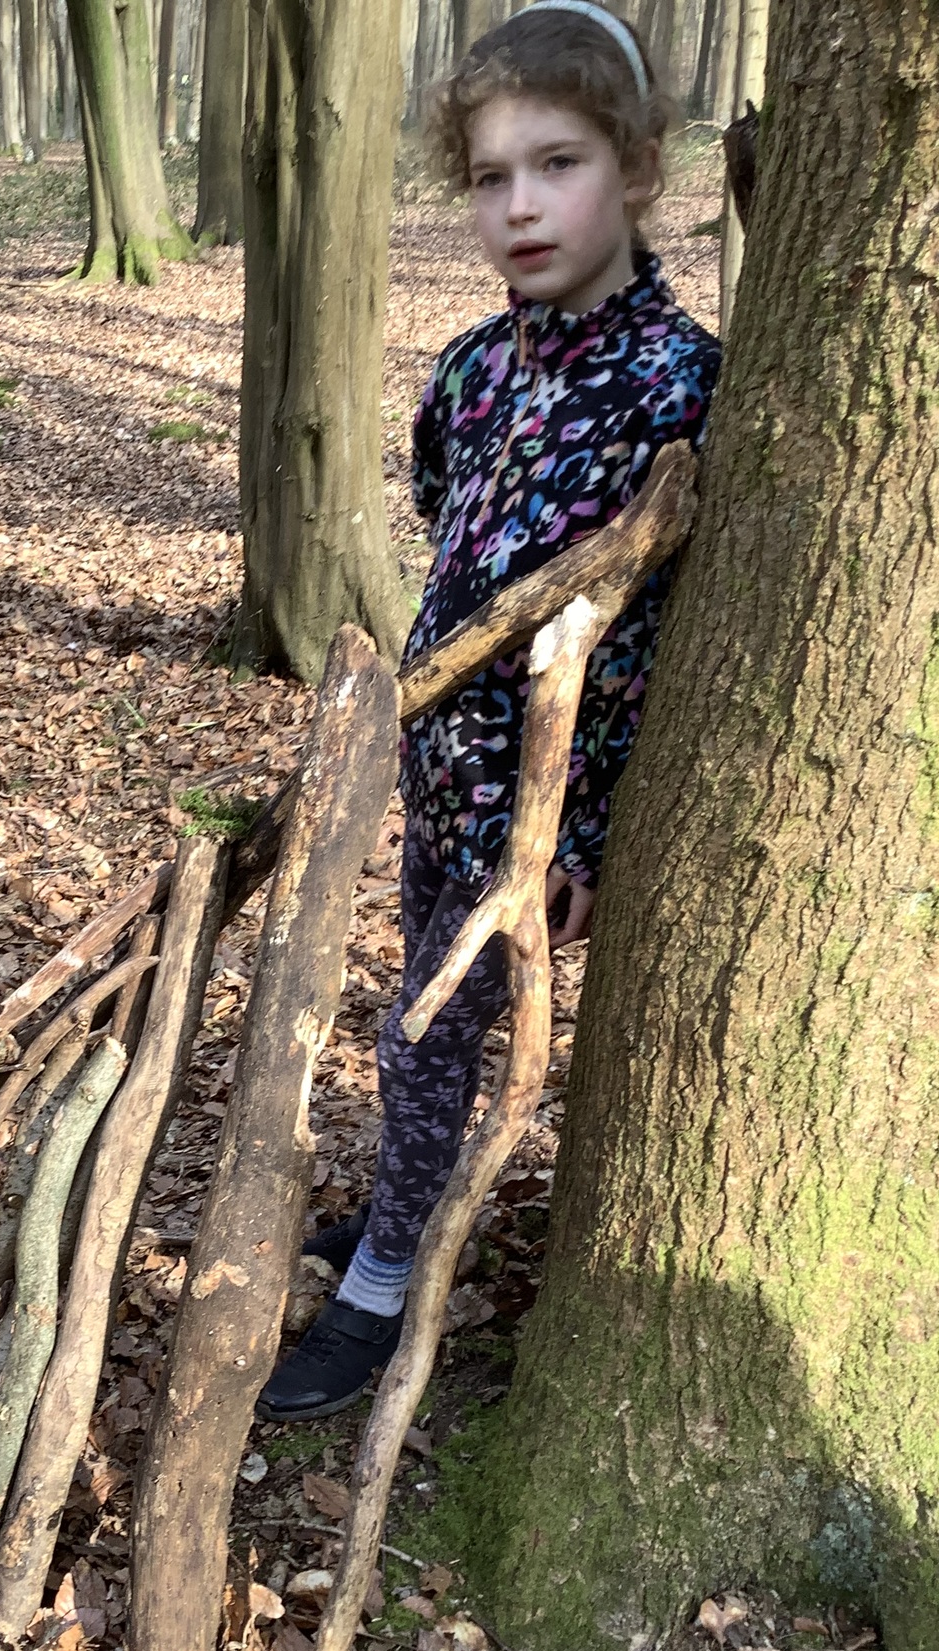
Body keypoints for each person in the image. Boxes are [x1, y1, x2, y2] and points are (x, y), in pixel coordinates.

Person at [258, 0, 720, 1421]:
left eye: (558, 164)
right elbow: (440, 512)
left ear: (637, 168)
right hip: (440, 770)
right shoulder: (471, 369)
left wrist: (579, 833)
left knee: (423, 1031)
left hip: (543, 805)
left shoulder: (682, 386)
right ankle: (405, 1207)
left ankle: (384, 1285)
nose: (520, 205)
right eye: (489, 175)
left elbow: (657, 631)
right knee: (420, 1016)